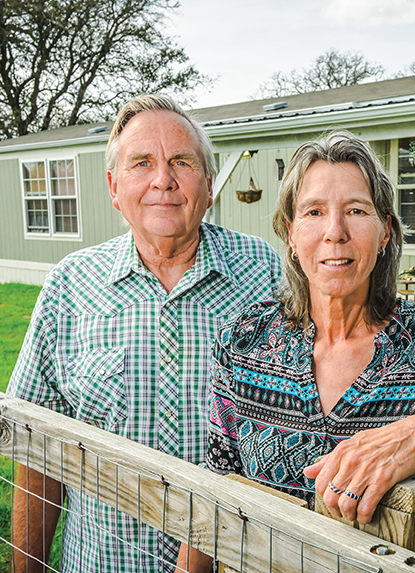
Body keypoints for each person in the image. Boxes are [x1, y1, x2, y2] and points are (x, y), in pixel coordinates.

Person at [178, 130, 415, 571]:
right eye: (314, 212)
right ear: (291, 234)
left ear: (385, 231)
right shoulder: (244, 341)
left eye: (356, 210)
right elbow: (214, 482)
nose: (335, 232)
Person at [8, 94, 281, 573]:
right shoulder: (70, 285)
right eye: (142, 163)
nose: (163, 180)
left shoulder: (266, 274)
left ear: (210, 185)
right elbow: (35, 449)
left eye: (181, 161)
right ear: (114, 187)